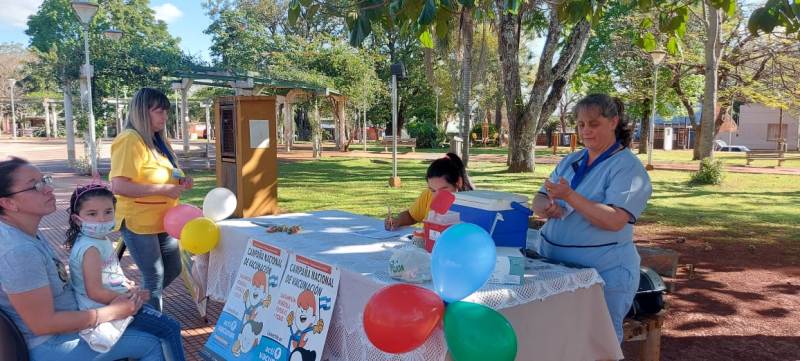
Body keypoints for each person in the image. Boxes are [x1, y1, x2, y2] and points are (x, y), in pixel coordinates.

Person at [0, 157, 167, 360]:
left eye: (45, 180)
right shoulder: (18, 250)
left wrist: (116, 287)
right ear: (8, 203)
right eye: (36, 186)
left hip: (66, 329)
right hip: (49, 344)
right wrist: (114, 311)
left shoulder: (26, 232)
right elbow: (42, 324)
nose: (48, 189)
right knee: (155, 342)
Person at [532, 94, 653, 343]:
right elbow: (539, 198)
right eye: (581, 124)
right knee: (559, 343)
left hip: (603, 275)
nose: (586, 130)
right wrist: (546, 207)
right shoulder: (571, 160)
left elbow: (614, 221)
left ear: (613, 122)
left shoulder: (627, 167)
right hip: (556, 269)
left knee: (597, 344)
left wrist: (569, 196)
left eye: (593, 124)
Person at [66, 183, 185, 359]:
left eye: (108, 212)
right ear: (78, 219)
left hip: (116, 304)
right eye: (92, 214)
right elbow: (94, 291)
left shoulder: (98, 240)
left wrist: (126, 286)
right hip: (107, 309)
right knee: (170, 328)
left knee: (160, 327)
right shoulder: (90, 248)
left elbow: (107, 275)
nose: (101, 219)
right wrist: (129, 299)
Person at [110, 88, 191, 311]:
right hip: (140, 221)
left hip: (164, 221)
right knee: (154, 276)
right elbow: (119, 185)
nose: (165, 117)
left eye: (166, 112)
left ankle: (137, 304)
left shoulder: (157, 141)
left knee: (173, 268)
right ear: (142, 112)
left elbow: (164, 173)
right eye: (159, 111)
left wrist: (181, 180)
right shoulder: (130, 140)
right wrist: (163, 189)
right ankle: (153, 321)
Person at [385, 153, 473, 230]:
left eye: (443, 190)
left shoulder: (473, 206)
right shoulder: (428, 195)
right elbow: (411, 216)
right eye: (433, 190)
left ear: (458, 182)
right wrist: (397, 221)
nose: (437, 196)